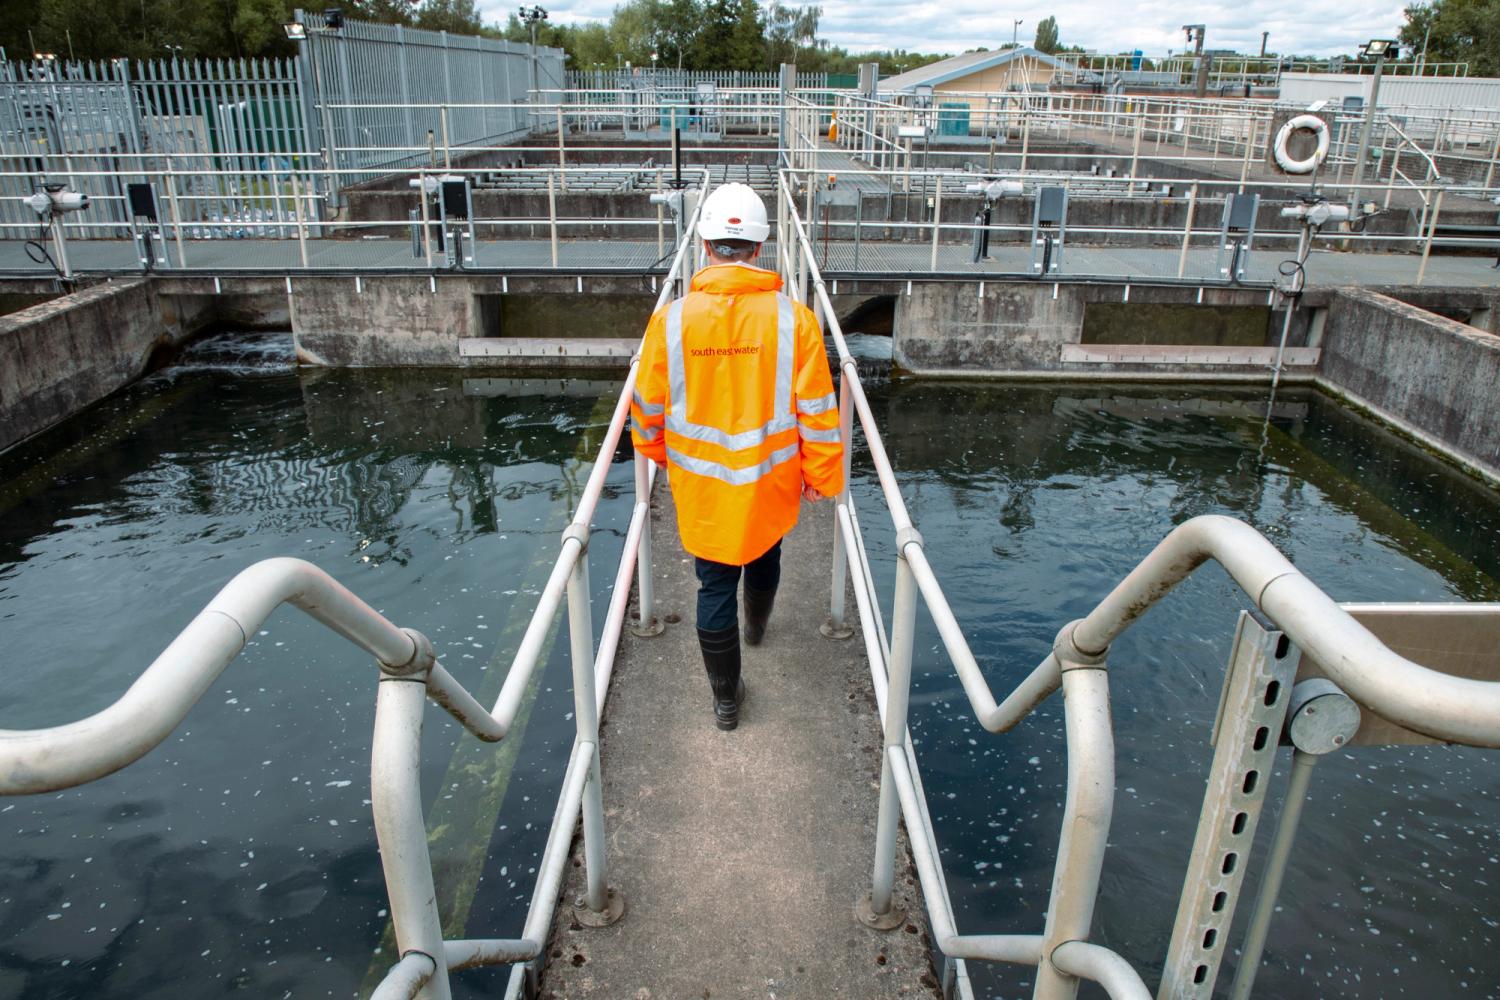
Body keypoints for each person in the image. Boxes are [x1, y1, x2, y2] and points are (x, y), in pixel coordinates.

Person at [630, 182, 844, 731]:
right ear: (760, 246)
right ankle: (756, 628)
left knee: (713, 583)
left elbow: (647, 411)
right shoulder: (793, 319)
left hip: (702, 487)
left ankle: (726, 699)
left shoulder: (671, 321)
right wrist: (821, 476)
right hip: (769, 480)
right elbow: (819, 410)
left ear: (704, 246)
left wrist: (661, 455)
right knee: (766, 554)